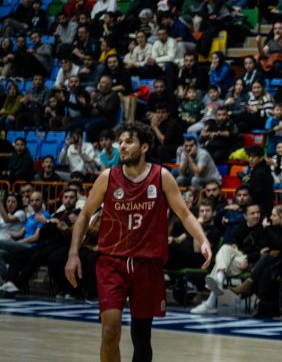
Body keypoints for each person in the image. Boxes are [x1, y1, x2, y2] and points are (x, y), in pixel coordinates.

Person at [65, 122, 212, 362]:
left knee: (141, 337)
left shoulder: (161, 177)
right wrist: (73, 254)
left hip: (147, 263)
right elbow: (83, 215)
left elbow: (184, 214)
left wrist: (202, 239)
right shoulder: (107, 177)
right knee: (110, 329)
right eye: (120, 141)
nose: (121, 146)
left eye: (128, 141)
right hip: (113, 261)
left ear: (143, 146)